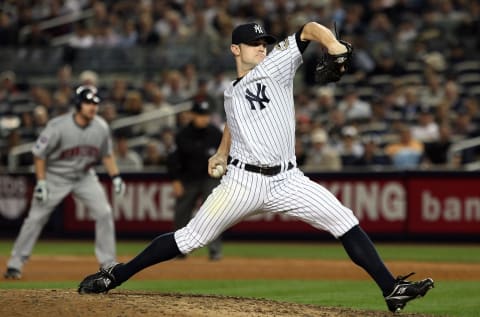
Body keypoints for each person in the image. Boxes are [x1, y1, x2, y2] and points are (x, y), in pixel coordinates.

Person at [77, 22, 434, 313]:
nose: (261, 47)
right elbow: (235, 123)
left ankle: (391, 289)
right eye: (253, 43)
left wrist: (334, 45)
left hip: (288, 179)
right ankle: (117, 276)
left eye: (264, 42)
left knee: (344, 220)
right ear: (236, 49)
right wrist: (219, 153)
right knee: (190, 238)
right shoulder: (230, 91)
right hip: (242, 181)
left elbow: (309, 28)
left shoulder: (276, 66)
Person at [4, 85, 125, 280]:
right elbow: (39, 154)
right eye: (88, 103)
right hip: (55, 177)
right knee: (35, 219)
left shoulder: (101, 127)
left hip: (84, 176)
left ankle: (108, 263)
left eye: (95, 103)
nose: (92, 107)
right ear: (78, 104)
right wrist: (41, 182)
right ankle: (15, 263)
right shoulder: (58, 126)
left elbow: (107, 155)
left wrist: (116, 176)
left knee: (104, 213)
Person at [167, 101, 223, 260]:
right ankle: (178, 249)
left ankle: (215, 250)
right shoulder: (182, 134)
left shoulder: (215, 133)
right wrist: (175, 180)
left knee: (214, 213)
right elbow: (172, 160)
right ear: (192, 115)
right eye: (200, 115)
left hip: (209, 179)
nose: (204, 119)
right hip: (188, 179)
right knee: (181, 214)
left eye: (206, 115)